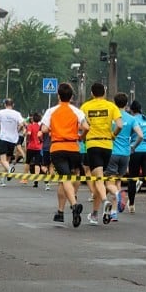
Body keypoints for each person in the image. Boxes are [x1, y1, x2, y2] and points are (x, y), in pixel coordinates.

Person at [40, 82, 89, 228]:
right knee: (74, 177)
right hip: (74, 147)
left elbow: (43, 129)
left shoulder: (51, 111)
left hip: (58, 148)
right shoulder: (76, 111)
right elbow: (86, 127)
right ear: (71, 96)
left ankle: (74, 204)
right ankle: (60, 212)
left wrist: (52, 129)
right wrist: (81, 137)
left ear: (58, 96)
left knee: (65, 178)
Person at [81, 83, 122, 224]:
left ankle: (106, 201)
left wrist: (82, 136)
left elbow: (81, 125)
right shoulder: (111, 106)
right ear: (104, 92)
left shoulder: (85, 107)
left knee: (97, 179)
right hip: (107, 146)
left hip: (93, 144)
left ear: (92, 93)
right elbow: (120, 125)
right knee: (100, 179)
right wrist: (113, 135)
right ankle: (94, 214)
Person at [106, 92, 142, 219]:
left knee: (108, 183)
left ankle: (117, 195)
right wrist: (133, 147)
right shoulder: (132, 119)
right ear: (126, 104)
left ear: (114, 103)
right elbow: (141, 135)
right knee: (118, 181)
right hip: (126, 154)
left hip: (112, 152)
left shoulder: (112, 117)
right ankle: (114, 213)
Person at [0, 98, 24, 186]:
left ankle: (10, 170)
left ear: (5, 104)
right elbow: (22, 123)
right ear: (13, 105)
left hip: (3, 138)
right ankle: (3, 179)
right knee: (7, 160)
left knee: (3, 160)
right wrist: (17, 129)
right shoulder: (17, 114)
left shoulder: (1, 112)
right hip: (13, 139)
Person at [25, 112, 44, 187]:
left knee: (27, 162)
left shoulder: (30, 126)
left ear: (33, 119)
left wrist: (28, 140)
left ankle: (25, 178)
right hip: (39, 147)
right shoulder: (40, 126)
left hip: (31, 146)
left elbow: (29, 133)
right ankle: (36, 180)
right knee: (37, 163)